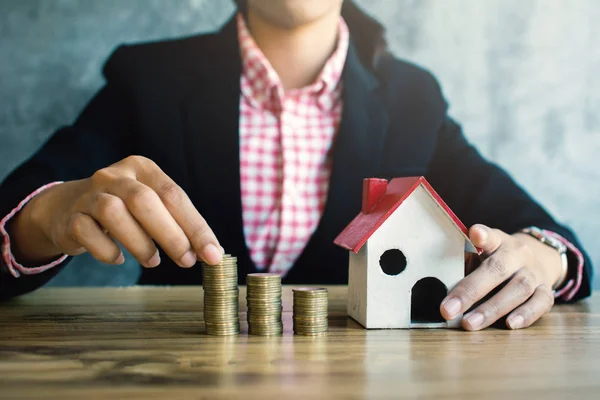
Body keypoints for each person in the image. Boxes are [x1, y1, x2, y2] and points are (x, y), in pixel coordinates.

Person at [0, 0, 592, 331]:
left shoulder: (413, 99)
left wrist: (543, 255)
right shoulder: (146, 79)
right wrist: (48, 216)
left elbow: (554, 242)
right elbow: (23, 207)